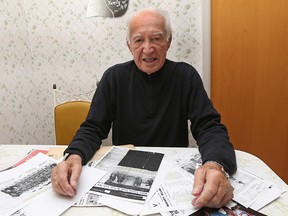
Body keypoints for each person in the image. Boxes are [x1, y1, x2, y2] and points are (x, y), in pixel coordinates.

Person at [52, 8, 237, 209]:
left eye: (156, 38)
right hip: (127, 176)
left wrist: (215, 164)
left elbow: (209, 126)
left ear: (169, 42)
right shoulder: (114, 77)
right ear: (129, 45)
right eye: (139, 40)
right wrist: (74, 155)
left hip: (172, 177)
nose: (148, 49)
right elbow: (93, 127)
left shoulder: (186, 76)